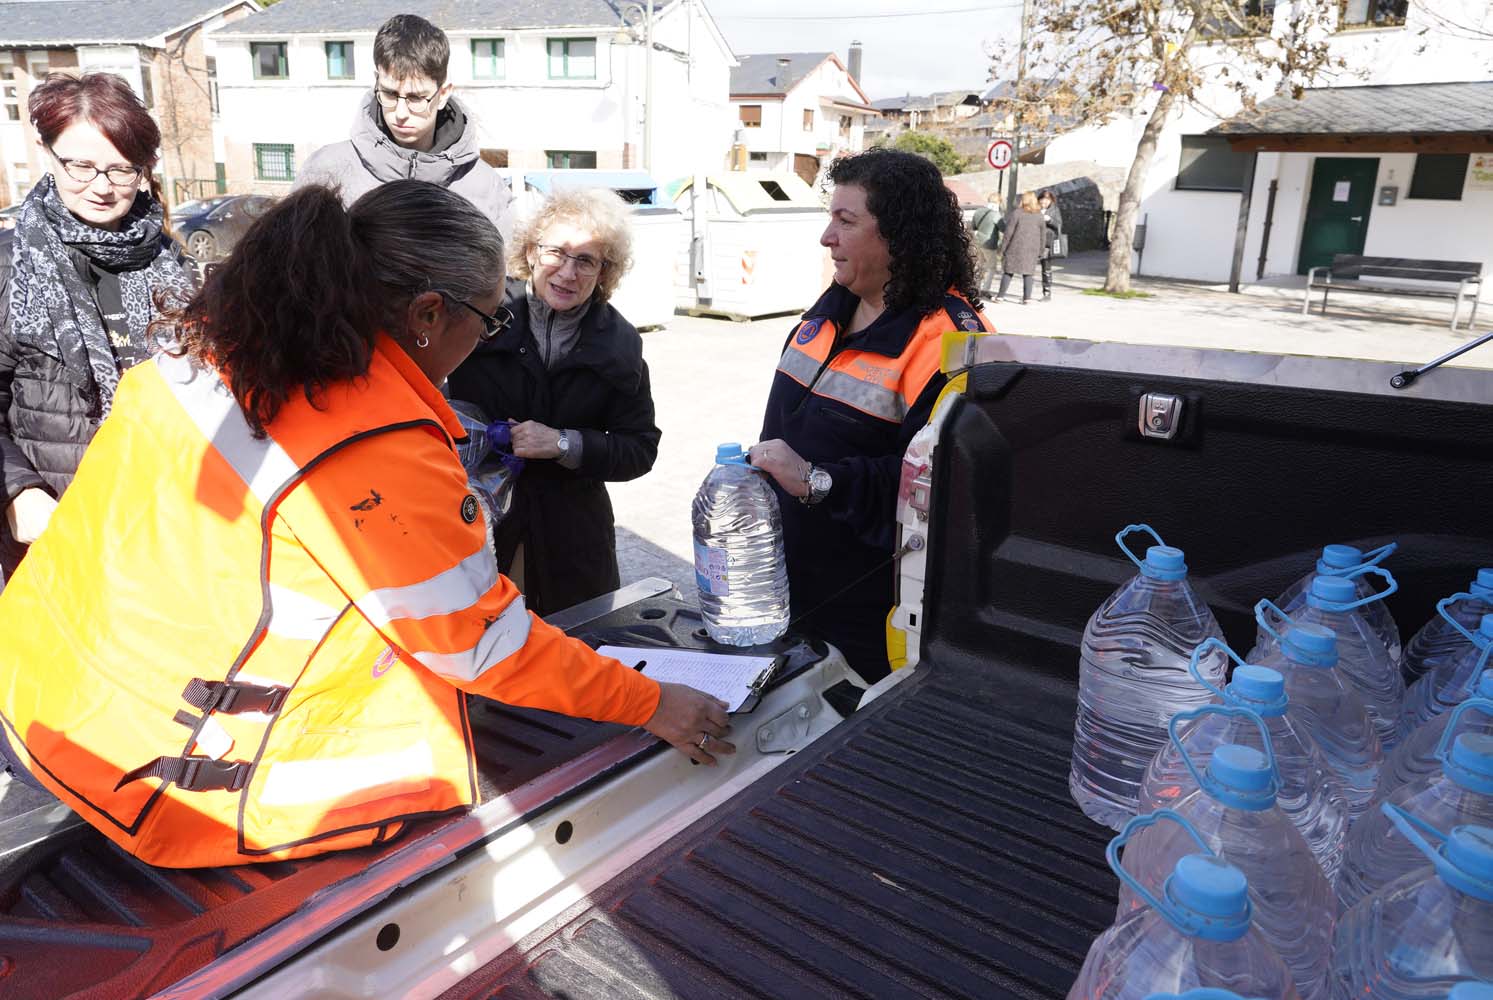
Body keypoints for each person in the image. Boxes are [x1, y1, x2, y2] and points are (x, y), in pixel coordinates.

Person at [0, 181, 732, 869]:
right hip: (179, 777)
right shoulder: (372, 438)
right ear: (425, 315)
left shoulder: (210, 348)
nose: (488, 337)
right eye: (486, 320)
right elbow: (474, 641)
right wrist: (653, 702)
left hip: (51, 694)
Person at [746, 148, 989, 686]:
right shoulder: (833, 306)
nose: (826, 237)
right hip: (789, 586)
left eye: (845, 220)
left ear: (899, 236)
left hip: (868, 613)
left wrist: (815, 480)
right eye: (830, 216)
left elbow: (938, 493)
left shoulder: (953, 342)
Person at [0, 72, 195, 583]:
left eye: (120, 169)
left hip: (163, 529)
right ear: (49, 155)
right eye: (80, 165)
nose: (101, 187)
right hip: (54, 535)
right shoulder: (10, 267)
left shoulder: (172, 264)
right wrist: (16, 491)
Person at [447, 188, 659, 617]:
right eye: (555, 253)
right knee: (485, 653)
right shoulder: (479, 316)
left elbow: (639, 448)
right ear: (529, 251)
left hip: (573, 538)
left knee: (579, 649)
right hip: (480, 524)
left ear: (605, 272)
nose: (567, 272)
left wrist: (564, 444)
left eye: (586, 260)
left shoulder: (619, 344)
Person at [294, 14, 512, 238]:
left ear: (444, 93)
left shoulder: (488, 190)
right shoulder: (325, 171)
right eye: (389, 93)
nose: (400, 114)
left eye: (416, 98)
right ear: (376, 80)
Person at [994, 191, 1044, 305]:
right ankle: (1027, 298)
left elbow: (1008, 233)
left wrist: (1002, 249)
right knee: (1028, 274)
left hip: (1014, 248)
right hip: (1032, 250)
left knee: (1008, 272)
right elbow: (1043, 235)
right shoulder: (1039, 215)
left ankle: (1000, 297)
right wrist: (1041, 250)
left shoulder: (1017, 213)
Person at [971, 192, 1003, 297]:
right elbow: (1004, 228)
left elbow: (973, 226)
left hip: (977, 241)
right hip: (989, 244)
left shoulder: (979, 211)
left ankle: (976, 287)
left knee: (980, 265)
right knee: (992, 267)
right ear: (998, 202)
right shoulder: (996, 214)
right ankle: (986, 289)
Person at [1038, 188, 1065, 302]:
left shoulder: (1054, 210)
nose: (1044, 202)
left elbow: (1059, 225)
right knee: (1027, 266)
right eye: (1043, 200)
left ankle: (1047, 292)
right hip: (1034, 240)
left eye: (1047, 200)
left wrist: (1049, 220)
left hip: (1047, 242)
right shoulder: (1035, 209)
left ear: (1051, 201)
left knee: (1046, 268)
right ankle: (1026, 293)